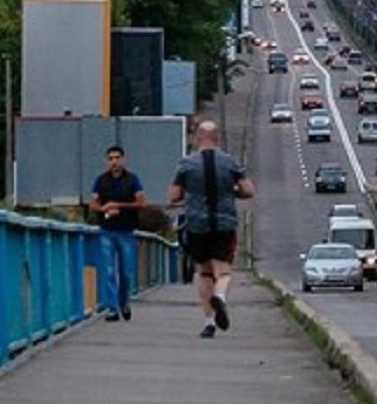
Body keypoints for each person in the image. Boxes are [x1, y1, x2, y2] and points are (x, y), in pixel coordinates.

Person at [168, 121, 255, 338]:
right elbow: (249, 190)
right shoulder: (229, 162)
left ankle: (209, 322)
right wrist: (231, 191)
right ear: (217, 139)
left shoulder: (186, 164)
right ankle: (220, 296)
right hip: (224, 223)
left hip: (197, 224)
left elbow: (174, 196)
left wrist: (192, 194)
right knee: (223, 271)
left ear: (198, 138)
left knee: (204, 272)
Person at [89, 145, 147, 321]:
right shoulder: (101, 180)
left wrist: (118, 206)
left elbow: (141, 202)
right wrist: (105, 208)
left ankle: (124, 302)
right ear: (107, 161)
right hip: (106, 230)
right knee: (108, 270)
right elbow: (93, 204)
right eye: (111, 158)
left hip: (126, 231)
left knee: (126, 273)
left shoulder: (132, 180)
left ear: (123, 159)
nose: (114, 162)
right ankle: (112, 308)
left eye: (117, 158)